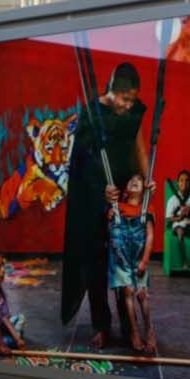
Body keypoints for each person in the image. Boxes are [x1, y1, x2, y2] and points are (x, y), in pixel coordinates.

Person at [61, 61, 148, 349]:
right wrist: (102, 190)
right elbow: (83, 162)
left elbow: (138, 143)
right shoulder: (92, 114)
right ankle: (101, 325)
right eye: (125, 99)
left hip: (123, 194)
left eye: (132, 100)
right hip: (95, 197)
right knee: (95, 263)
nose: (128, 105)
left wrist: (145, 180)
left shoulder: (133, 111)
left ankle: (129, 325)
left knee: (124, 261)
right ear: (112, 92)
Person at [107, 173, 157, 354]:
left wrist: (144, 260)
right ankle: (134, 331)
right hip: (120, 255)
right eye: (131, 179)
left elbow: (150, 236)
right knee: (127, 291)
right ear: (126, 191)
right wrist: (110, 217)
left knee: (142, 293)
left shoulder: (147, 209)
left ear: (145, 191)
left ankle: (149, 330)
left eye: (139, 181)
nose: (134, 181)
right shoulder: (117, 207)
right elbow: (111, 232)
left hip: (138, 254)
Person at [164, 169, 190, 272]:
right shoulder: (172, 200)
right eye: (181, 180)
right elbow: (168, 218)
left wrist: (189, 211)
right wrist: (179, 217)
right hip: (178, 224)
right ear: (178, 183)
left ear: (189, 183)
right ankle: (184, 261)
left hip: (189, 224)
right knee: (180, 233)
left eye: (186, 181)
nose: (184, 183)